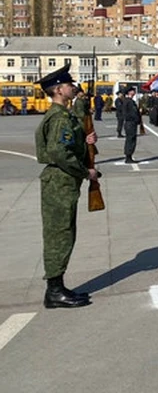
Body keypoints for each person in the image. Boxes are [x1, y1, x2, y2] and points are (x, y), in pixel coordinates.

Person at [35, 63, 98, 308]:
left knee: (64, 233)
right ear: (59, 90)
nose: (73, 87)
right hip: (60, 183)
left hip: (62, 182)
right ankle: (54, 291)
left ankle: (58, 286)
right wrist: (87, 172)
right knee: (59, 235)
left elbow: (67, 145)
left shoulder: (64, 116)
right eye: (69, 84)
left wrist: (84, 139)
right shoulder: (60, 117)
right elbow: (59, 152)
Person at [119, 86, 141, 163]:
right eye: (133, 91)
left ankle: (129, 156)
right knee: (130, 139)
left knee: (132, 139)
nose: (134, 92)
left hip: (132, 123)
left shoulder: (130, 101)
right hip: (130, 123)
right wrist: (133, 119)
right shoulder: (127, 101)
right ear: (129, 92)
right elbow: (126, 113)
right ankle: (128, 157)